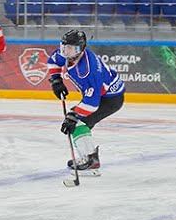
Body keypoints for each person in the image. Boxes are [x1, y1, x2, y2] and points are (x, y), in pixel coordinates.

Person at [47, 29, 125, 175]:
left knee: (77, 123)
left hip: (110, 99)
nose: (65, 52)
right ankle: (89, 157)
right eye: (64, 47)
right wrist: (56, 80)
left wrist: (73, 115)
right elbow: (53, 61)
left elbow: (92, 103)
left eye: (71, 49)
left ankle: (91, 161)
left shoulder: (88, 70)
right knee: (78, 123)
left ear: (81, 49)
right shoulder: (68, 54)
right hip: (99, 94)